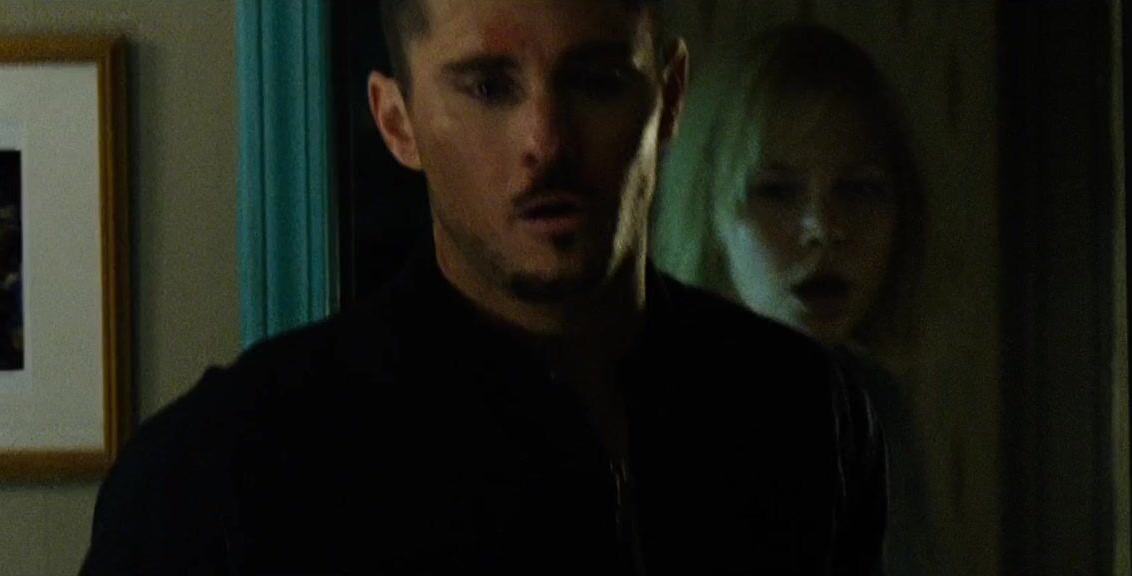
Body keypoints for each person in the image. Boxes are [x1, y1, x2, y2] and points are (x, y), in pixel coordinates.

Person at [80, 2, 887, 574]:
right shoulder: (228, 465)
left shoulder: (803, 409)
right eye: (488, 87)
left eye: (594, 80)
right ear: (396, 121)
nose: (546, 142)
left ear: (667, 99)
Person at [655, 24, 929, 574]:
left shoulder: (874, 404)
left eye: (858, 189)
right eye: (776, 192)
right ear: (710, 216)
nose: (824, 229)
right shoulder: (662, 411)